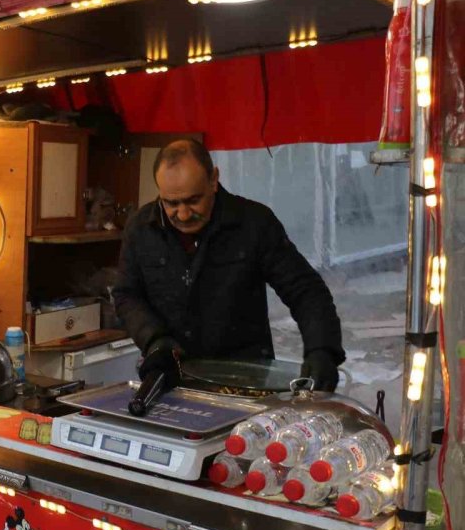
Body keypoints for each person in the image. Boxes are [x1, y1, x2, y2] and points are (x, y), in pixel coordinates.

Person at [113, 139, 345, 391]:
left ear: (213, 180)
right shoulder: (140, 229)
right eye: (171, 203)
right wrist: (155, 341)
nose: (182, 214)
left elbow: (304, 289)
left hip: (245, 380)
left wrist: (321, 349)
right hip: (172, 377)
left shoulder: (254, 224)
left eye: (193, 200)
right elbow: (127, 295)